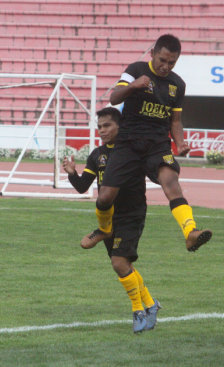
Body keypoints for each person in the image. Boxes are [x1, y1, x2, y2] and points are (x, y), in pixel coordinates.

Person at [80, 34, 212, 252]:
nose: (165, 66)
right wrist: (133, 86)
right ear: (152, 54)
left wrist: (181, 142)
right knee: (105, 198)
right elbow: (114, 98)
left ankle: (190, 232)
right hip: (128, 144)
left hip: (157, 145)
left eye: (172, 63)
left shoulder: (177, 84)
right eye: (162, 60)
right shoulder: (136, 69)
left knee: (171, 183)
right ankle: (105, 229)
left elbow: (175, 120)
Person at [63, 107, 161, 333]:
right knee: (124, 265)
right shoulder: (97, 154)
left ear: (120, 126)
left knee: (119, 263)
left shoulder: (133, 152)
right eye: (99, 127)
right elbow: (82, 187)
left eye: (107, 125)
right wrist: (71, 173)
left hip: (131, 214)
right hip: (109, 217)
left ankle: (138, 311)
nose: (102, 130)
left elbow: (154, 173)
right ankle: (151, 304)